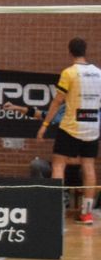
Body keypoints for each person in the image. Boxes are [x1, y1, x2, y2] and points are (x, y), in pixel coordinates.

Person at [37, 37, 101, 225]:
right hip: (92, 127)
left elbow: (57, 101)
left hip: (72, 126)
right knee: (88, 166)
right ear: (85, 50)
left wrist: (45, 125)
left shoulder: (69, 73)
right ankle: (87, 213)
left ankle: (55, 209)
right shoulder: (98, 73)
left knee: (58, 164)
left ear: (70, 51)